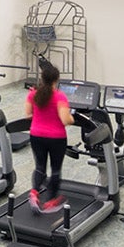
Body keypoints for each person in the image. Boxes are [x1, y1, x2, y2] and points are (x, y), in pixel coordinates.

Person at [24, 62, 74, 213]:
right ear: (56, 80)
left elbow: (27, 115)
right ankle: (51, 200)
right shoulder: (60, 96)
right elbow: (66, 120)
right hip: (56, 138)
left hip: (36, 135)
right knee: (55, 169)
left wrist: (42, 117)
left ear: (42, 78)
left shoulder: (33, 94)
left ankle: (34, 192)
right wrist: (73, 118)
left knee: (40, 166)